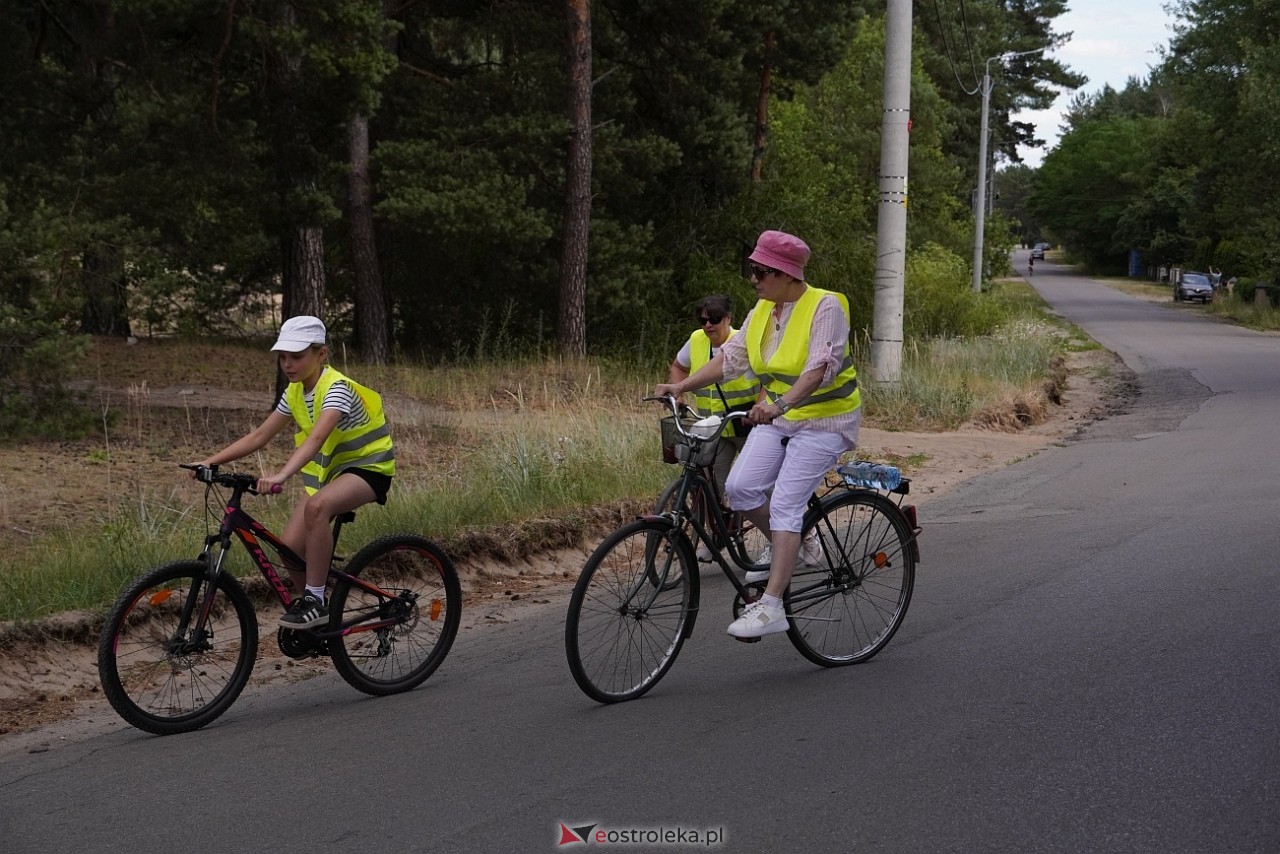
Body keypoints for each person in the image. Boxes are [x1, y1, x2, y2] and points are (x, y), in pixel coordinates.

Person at [655, 230, 861, 639]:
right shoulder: (764, 310)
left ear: (785, 273)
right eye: (751, 271)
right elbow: (731, 360)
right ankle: (800, 545)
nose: (753, 280)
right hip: (781, 418)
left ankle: (771, 606)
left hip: (826, 421)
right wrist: (683, 386)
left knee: (785, 502)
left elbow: (820, 368)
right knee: (741, 489)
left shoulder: (826, 305)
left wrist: (780, 406)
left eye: (760, 272)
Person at [192, 315, 395, 630]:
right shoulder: (295, 392)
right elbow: (260, 436)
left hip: (368, 469)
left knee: (317, 507)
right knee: (287, 548)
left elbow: (316, 439)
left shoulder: (337, 388)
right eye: (282, 357)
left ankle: (316, 600)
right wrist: (210, 461)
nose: (288, 364)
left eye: (297, 356)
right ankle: (316, 613)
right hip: (330, 477)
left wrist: (280, 476)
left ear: (321, 354)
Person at [668, 295, 760, 561]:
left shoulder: (744, 341)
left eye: (715, 319)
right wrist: (678, 395)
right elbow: (678, 366)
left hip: (747, 425)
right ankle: (718, 534)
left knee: (755, 485)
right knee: (711, 488)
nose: (708, 325)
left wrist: (760, 407)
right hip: (715, 428)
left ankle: (794, 538)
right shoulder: (696, 340)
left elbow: (768, 378)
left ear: (729, 318)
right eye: (703, 319)